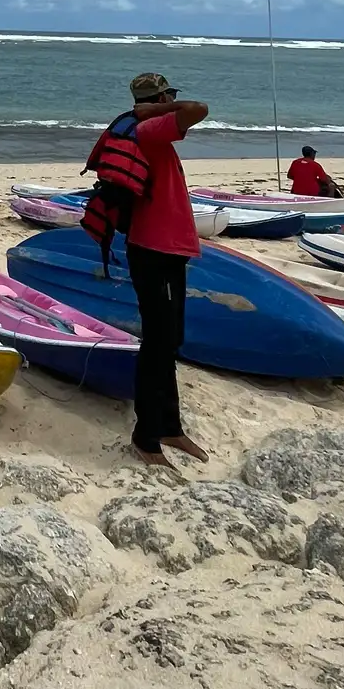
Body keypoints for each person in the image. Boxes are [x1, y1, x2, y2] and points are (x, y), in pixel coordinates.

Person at [84, 71, 209, 468]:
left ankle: (169, 426)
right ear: (158, 98)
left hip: (167, 249)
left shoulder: (149, 129)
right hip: (153, 249)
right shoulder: (151, 129)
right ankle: (146, 437)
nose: (175, 98)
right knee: (157, 344)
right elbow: (198, 109)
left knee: (169, 340)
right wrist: (158, 107)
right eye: (169, 93)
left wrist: (153, 106)